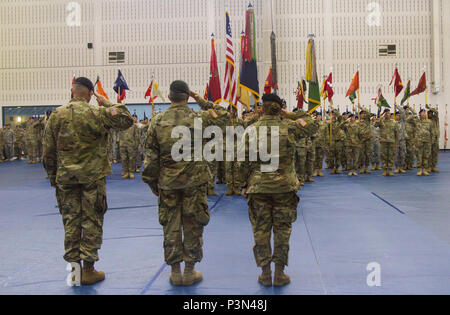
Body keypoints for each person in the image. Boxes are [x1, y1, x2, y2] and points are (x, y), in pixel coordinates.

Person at [43, 77, 133, 285]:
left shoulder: (56, 115)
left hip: (65, 178)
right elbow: (126, 119)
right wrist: (107, 103)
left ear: (72, 91)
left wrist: (53, 177)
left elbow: (47, 151)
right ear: (91, 94)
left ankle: (75, 272)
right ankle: (89, 270)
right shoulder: (98, 113)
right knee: (92, 221)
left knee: (71, 223)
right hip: (92, 178)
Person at [142, 80, 228, 286]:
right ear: (187, 97)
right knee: (193, 224)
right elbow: (224, 116)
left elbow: (151, 157)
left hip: (168, 183)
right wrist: (202, 100)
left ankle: (175, 271)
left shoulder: (158, 121)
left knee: (171, 226)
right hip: (194, 182)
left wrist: (152, 182)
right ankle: (189, 271)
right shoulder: (199, 117)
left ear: (170, 97)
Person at [239, 93, 316, 287]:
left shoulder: (251, 129)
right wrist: (288, 114)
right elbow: (312, 122)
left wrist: (243, 185)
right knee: (283, 230)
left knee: (260, 230)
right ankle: (279, 273)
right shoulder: (289, 127)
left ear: (261, 107)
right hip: (284, 187)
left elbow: (242, 161)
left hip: (259, 187)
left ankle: (265, 273)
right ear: (279, 107)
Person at [375, 109, 398, 176]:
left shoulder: (394, 122)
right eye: (386, 113)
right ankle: (384, 169)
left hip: (391, 141)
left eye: (388, 113)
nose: (387, 114)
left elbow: (396, 133)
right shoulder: (381, 121)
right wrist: (380, 118)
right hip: (383, 141)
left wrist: (396, 142)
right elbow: (375, 125)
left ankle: (390, 169)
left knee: (391, 155)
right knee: (384, 156)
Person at [119, 115, 140, 179]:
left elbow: (137, 136)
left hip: (131, 145)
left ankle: (131, 172)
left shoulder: (134, 126)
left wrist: (136, 145)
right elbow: (119, 135)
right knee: (123, 159)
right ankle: (125, 172)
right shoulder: (122, 126)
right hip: (122, 144)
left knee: (131, 159)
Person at [415, 109, 433, 176]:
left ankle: (424, 169)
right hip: (419, 141)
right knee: (419, 155)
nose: (424, 114)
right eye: (422, 113)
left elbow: (432, 132)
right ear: (419, 114)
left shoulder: (429, 122)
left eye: (424, 113)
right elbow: (408, 119)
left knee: (425, 156)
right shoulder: (416, 121)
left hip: (427, 141)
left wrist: (432, 141)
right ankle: (419, 169)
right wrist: (416, 115)